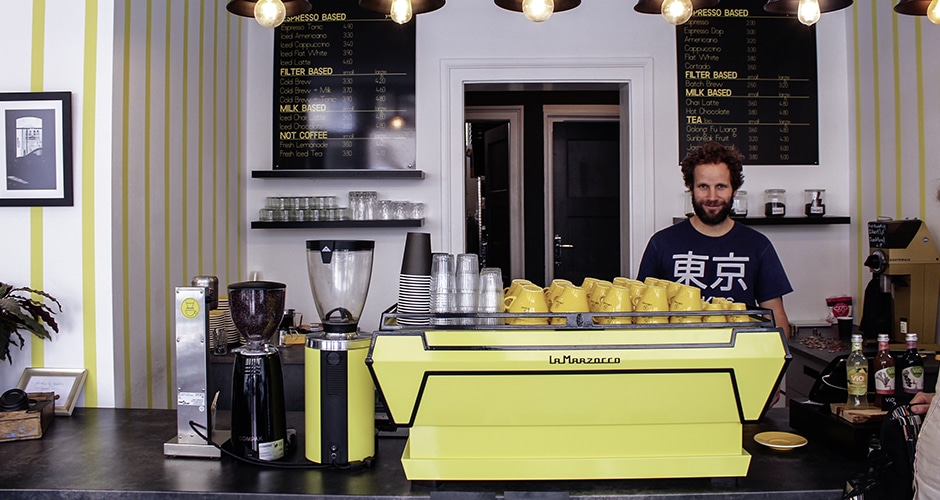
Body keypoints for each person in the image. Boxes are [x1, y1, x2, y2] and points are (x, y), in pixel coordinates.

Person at [636, 142, 792, 334]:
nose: (712, 196)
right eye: (703, 186)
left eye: (721, 186)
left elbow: (775, 318)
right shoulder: (661, 243)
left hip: (740, 352)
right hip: (677, 351)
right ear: (691, 188)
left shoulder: (758, 245)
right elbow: (642, 314)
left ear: (734, 190)